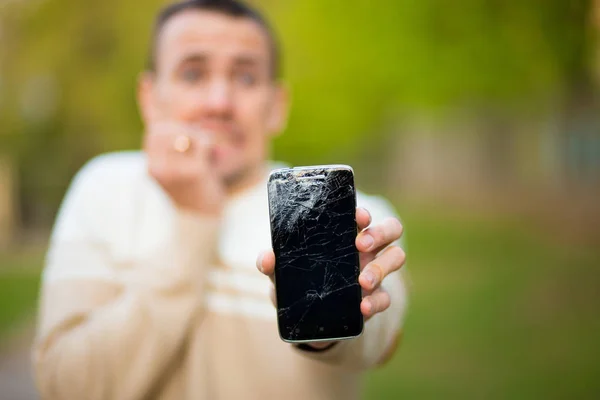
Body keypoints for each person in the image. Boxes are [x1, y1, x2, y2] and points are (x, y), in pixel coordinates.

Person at [31, 1, 408, 399]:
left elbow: (380, 339)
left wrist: (328, 324)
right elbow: (63, 386)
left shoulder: (354, 215)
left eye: (245, 78)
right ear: (149, 97)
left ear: (277, 104)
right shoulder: (104, 188)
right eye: (193, 73)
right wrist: (196, 221)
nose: (219, 102)